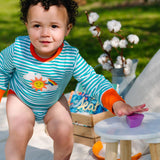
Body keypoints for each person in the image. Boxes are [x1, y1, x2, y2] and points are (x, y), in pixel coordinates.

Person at [0, 0, 148, 160]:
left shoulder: (70, 57)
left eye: (54, 26)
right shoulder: (18, 50)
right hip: (21, 100)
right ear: (27, 24)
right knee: (21, 132)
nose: (44, 33)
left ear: (67, 29)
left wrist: (117, 103)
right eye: (37, 26)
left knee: (65, 135)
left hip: (53, 101)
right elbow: (1, 70)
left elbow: (92, 80)